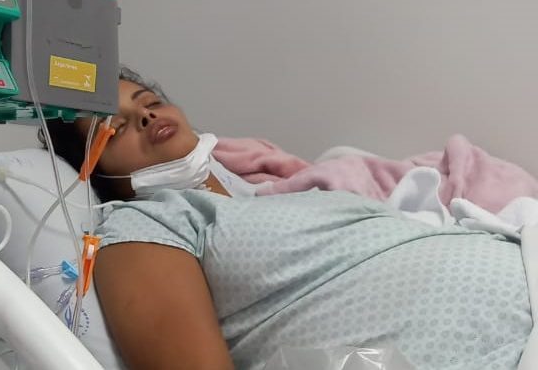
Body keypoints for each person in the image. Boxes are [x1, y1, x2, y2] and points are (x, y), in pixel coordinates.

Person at [44, 67, 532, 370]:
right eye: (117, 128)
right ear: (94, 170)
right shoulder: (144, 225)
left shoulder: (276, 195)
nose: (147, 118)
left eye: (149, 103)